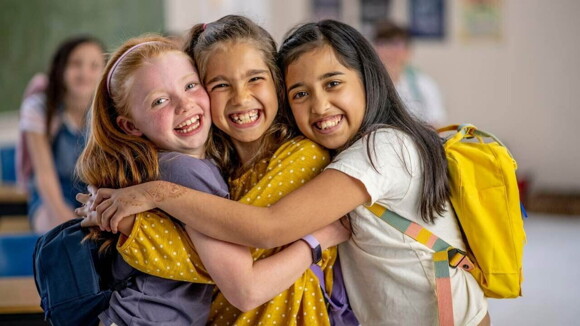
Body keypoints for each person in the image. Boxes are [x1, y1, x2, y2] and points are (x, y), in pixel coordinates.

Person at [82, 19, 491, 325]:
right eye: (218, 84)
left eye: (255, 79)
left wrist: (150, 204)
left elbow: (258, 240)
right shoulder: (214, 164)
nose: (319, 106)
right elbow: (220, 261)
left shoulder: (330, 154)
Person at [77, 28, 348, 326]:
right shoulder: (186, 169)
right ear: (130, 126)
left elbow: (209, 253)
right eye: (159, 101)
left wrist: (139, 225)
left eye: (190, 86)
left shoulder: (179, 167)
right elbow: (246, 285)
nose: (184, 105)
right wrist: (319, 239)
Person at [17, 35, 105, 233]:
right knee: (58, 235)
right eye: (76, 64)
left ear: (104, 72)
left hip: (93, 192)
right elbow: (44, 175)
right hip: (52, 192)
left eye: (94, 65)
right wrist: (64, 218)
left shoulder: (108, 110)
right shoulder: (39, 107)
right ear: (61, 68)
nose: (84, 73)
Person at [374, 20, 446, 127]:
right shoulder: (366, 82)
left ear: (408, 51)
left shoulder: (423, 84)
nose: (389, 51)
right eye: (383, 44)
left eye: (396, 44)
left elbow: (435, 124)